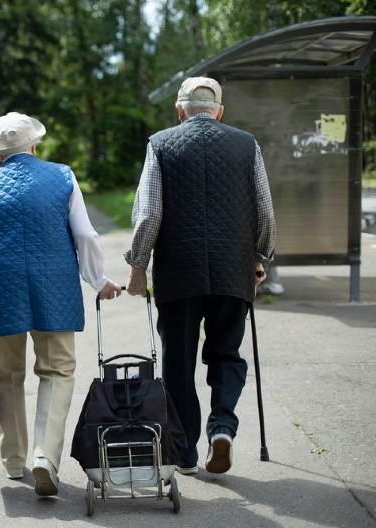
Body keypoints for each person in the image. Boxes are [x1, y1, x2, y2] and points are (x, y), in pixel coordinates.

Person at [0, 112, 122, 497]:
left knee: (7, 374)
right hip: (54, 285)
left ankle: (14, 460)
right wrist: (99, 281)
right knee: (58, 370)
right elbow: (84, 234)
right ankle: (45, 456)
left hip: (1, 284)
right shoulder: (63, 176)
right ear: (35, 146)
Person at [124, 77, 276, 476]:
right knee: (226, 353)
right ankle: (222, 427)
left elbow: (149, 212)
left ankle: (185, 452)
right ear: (220, 111)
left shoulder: (160, 144)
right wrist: (260, 257)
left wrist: (138, 265)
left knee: (178, 363)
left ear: (180, 110)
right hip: (232, 269)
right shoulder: (247, 144)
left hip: (178, 273)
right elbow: (265, 209)